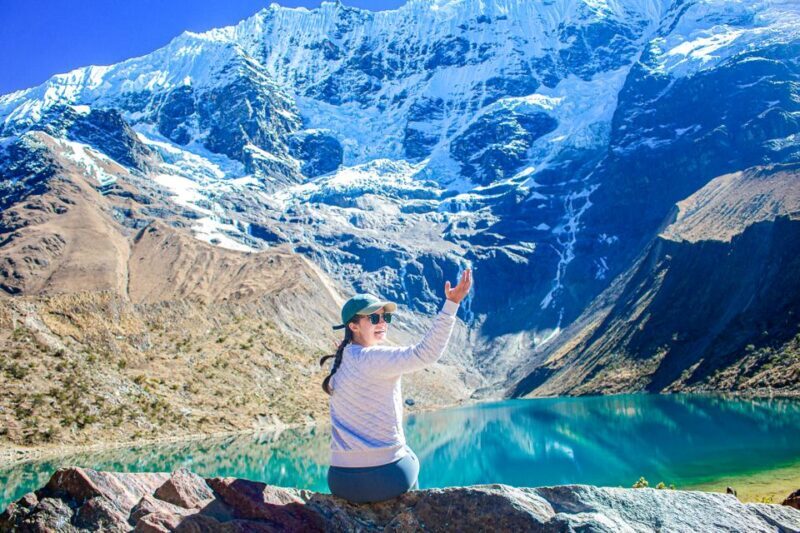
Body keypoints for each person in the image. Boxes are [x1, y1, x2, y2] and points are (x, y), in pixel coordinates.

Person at [320, 268, 473, 503]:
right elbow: (426, 353)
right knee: (410, 458)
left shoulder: (340, 364)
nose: (382, 322)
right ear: (353, 326)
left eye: (385, 317)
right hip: (384, 477)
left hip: (339, 480)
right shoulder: (373, 358)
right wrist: (451, 304)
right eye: (374, 318)